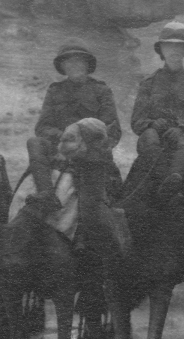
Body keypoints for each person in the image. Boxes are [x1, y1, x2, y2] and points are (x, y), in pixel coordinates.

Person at [25, 40, 121, 215]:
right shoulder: (55, 91)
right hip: (60, 148)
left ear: (87, 64)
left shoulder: (101, 91)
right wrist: (64, 138)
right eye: (68, 61)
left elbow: (112, 129)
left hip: (91, 152)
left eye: (79, 60)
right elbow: (42, 127)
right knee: (34, 142)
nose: (74, 65)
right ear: (62, 66)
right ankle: (46, 194)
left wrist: (84, 140)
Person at [130, 22, 184, 191]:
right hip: (155, 143)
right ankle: (158, 179)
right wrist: (152, 124)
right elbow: (137, 121)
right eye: (169, 45)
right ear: (162, 50)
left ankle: (172, 181)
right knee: (149, 135)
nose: (174, 50)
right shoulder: (148, 84)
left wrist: (182, 129)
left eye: (179, 46)